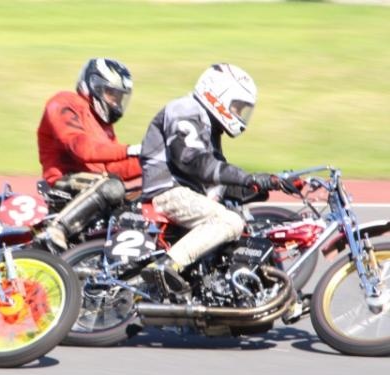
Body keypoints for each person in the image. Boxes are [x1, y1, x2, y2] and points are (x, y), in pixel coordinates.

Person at [139, 63, 280, 293]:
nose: (239, 114)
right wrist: (247, 177)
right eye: (236, 107)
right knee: (230, 222)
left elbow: (217, 181)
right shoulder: (185, 109)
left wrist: (267, 184)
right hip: (167, 191)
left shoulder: (210, 126)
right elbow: (193, 161)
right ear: (218, 94)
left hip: (188, 193)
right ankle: (167, 264)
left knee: (241, 223)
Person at [37, 58, 142, 250]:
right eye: (111, 94)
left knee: (138, 198)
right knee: (112, 187)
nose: (115, 102)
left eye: (119, 97)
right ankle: (56, 230)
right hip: (64, 181)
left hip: (96, 184)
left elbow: (111, 167)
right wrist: (130, 149)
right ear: (94, 86)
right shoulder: (64, 103)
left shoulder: (103, 124)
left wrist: (150, 160)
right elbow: (81, 148)